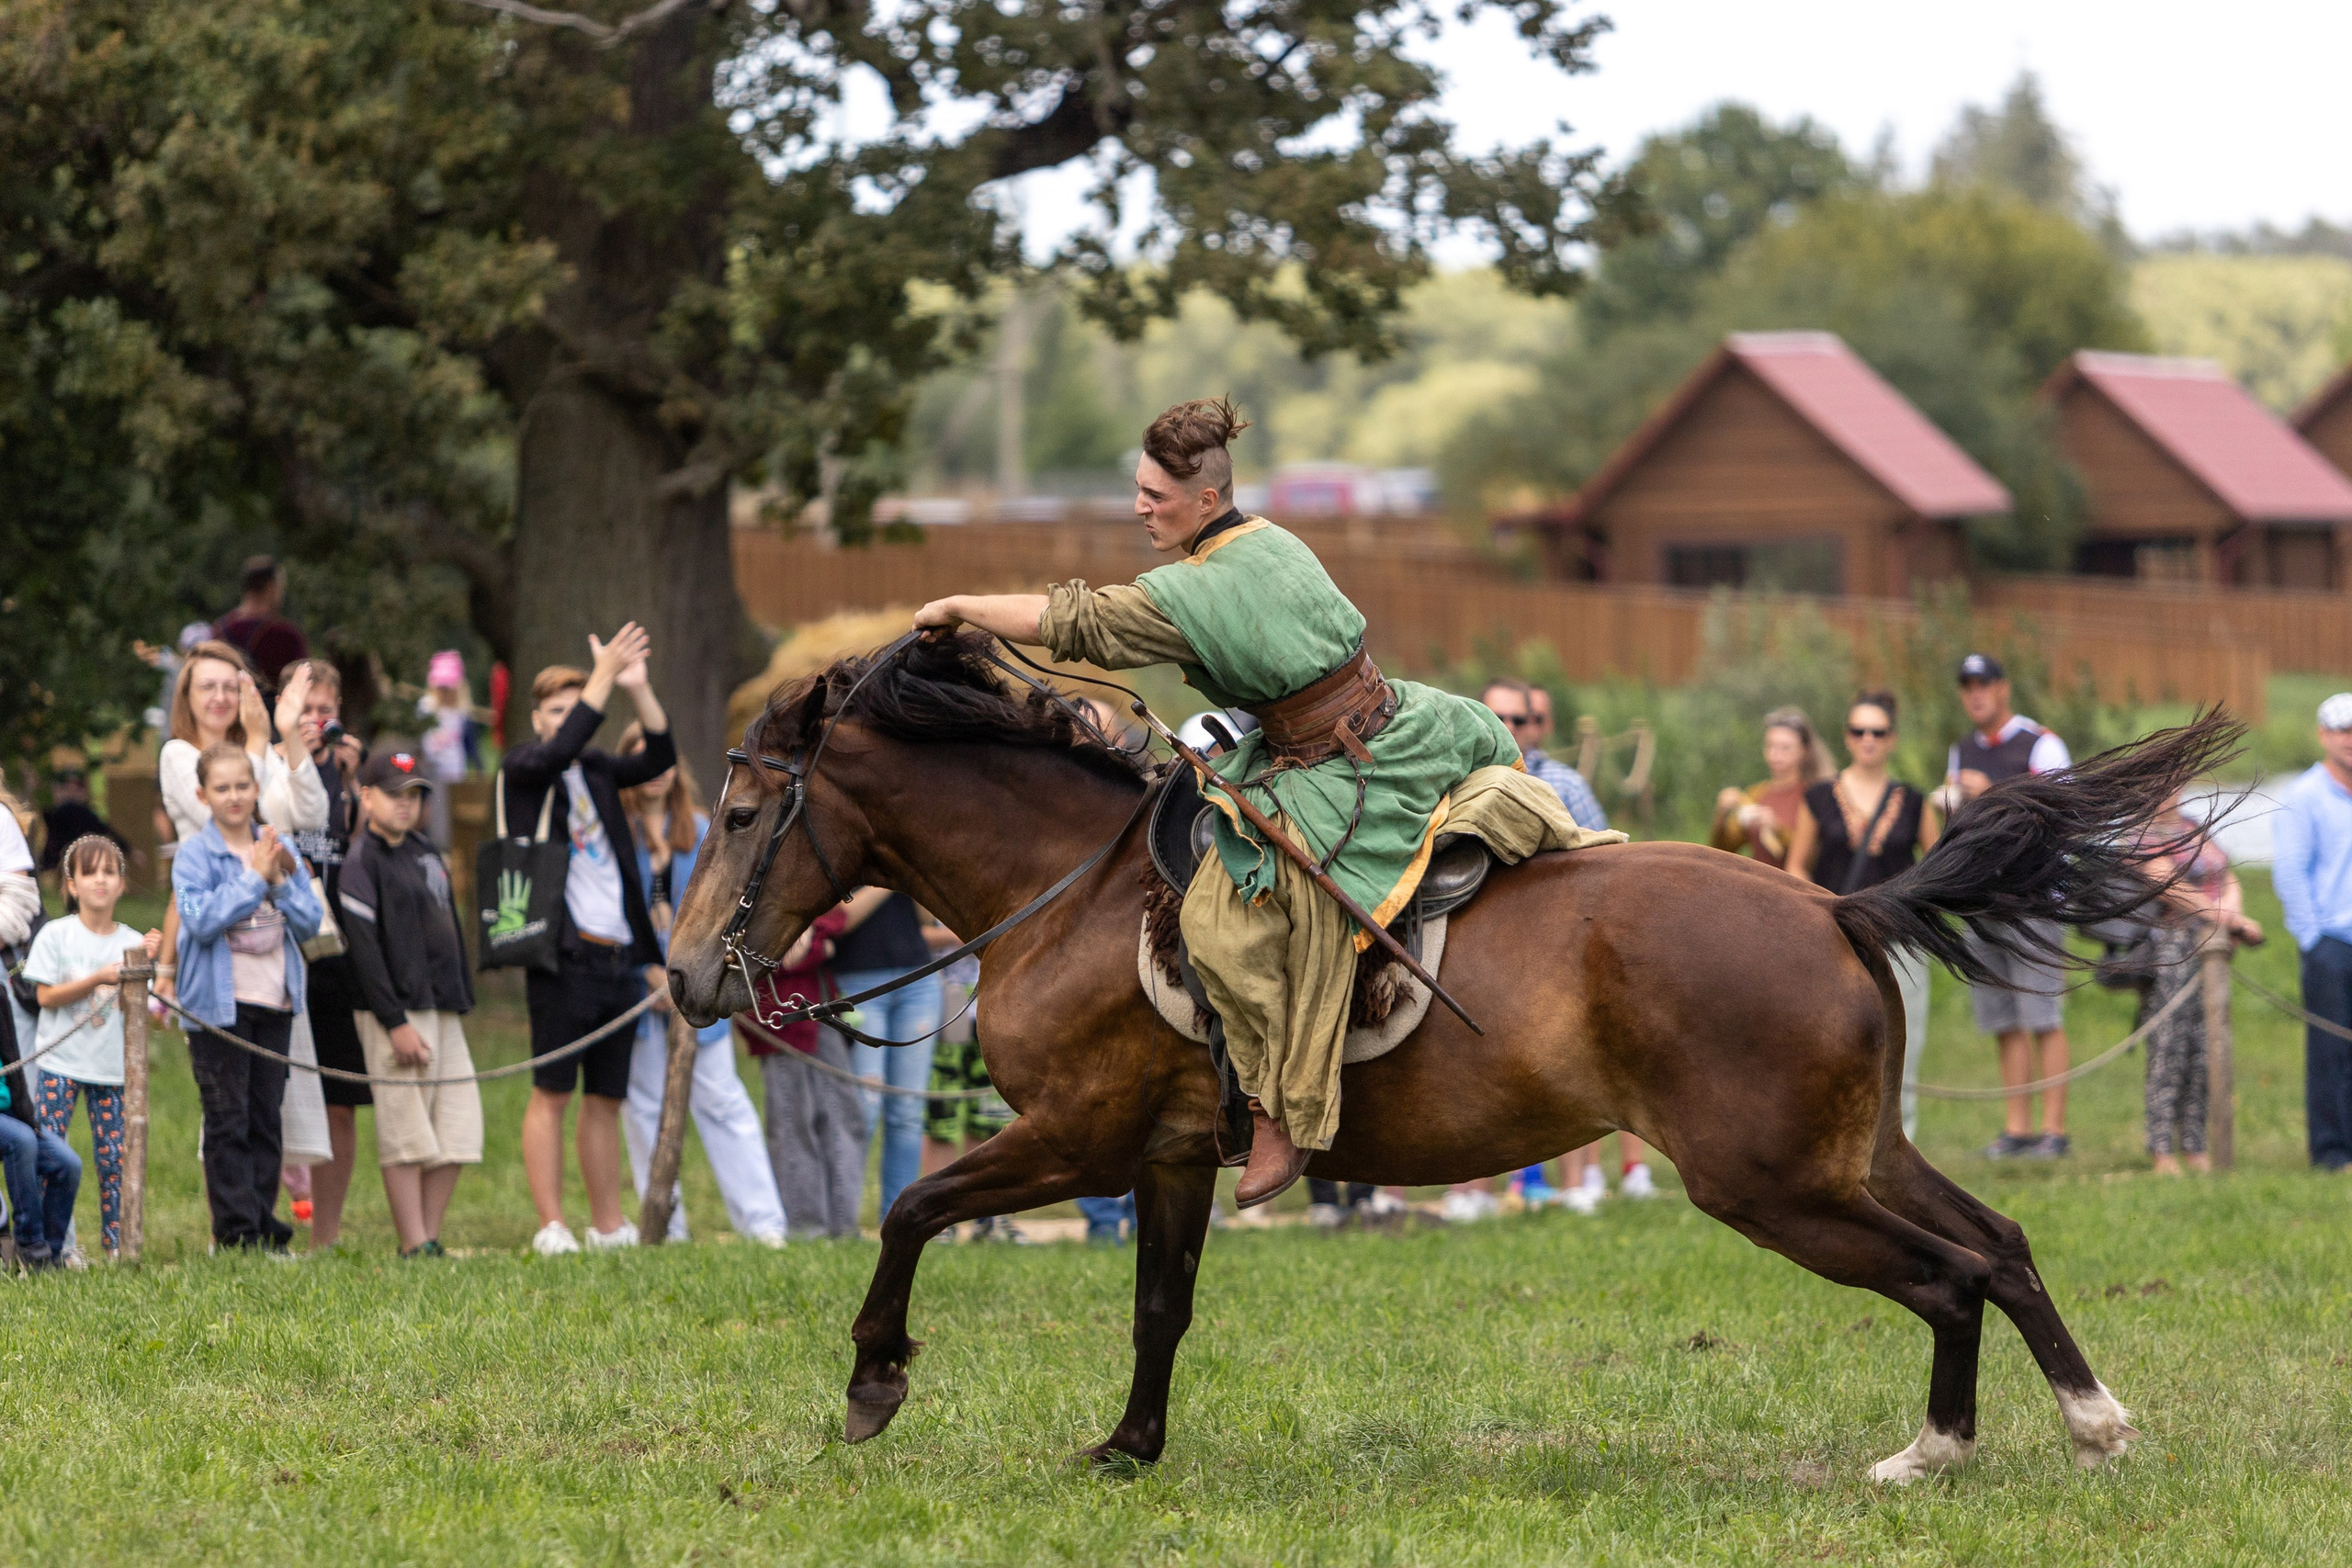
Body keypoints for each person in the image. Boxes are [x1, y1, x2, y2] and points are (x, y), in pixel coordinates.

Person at [915, 397, 1605, 1206]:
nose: (1140, 506)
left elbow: (1078, 620)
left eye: (1154, 494)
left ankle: (1279, 1105)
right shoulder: (1268, 537)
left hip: (1340, 768)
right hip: (1396, 717)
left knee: (1219, 925)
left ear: (1205, 500)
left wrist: (958, 607)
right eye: (1137, 489)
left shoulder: (1202, 588)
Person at [500, 623, 674, 1256]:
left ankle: (607, 1224)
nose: (569, 718)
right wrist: (598, 682)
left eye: (577, 706)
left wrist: (636, 686)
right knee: (552, 1091)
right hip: (560, 956)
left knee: (606, 1096)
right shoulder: (525, 766)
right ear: (536, 718)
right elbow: (556, 751)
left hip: (618, 955)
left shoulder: (598, 768)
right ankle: (552, 1224)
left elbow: (658, 757)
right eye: (556, 710)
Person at [615, 728, 787, 1247]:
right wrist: (647, 972)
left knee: (724, 1103)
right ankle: (667, 1228)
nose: (658, 770)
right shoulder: (616, 836)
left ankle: (764, 1225)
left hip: (697, 989)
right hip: (640, 993)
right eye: (642, 761)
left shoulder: (699, 829)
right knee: (644, 1108)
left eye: (664, 759)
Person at [173, 743, 323, 1251]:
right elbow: (201, 919)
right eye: (222, 788)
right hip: (219, 1008)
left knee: (265, 1120)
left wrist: (278, 876)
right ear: (202, 795)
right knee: (227, 1120)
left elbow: (308, 922)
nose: (234, 796)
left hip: (274, 1002)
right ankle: (235, 1234)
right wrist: (252, 876)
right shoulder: (195, 855)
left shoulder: (279, 846)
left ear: (257, 789)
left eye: (242, 786)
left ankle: (264, 1230)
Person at [336, 741, 482, 1257]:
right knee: (406, 1129)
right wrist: (394, 1021)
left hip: (442, 1005)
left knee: (457, 1127)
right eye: (395, 794)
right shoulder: (361, 862)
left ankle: (431, 1235)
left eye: (415, 794)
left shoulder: (425, 851)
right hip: (394, 1012)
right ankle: (412, 1241)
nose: (406, 804)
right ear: (366, 795)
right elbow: (365, 953)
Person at [1787, 691, 1943, 1140]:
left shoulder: (1914, 803)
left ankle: (1899, 1148)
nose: (1868, 740)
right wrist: (1816, 910)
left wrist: (1916, 907)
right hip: (1833, 943)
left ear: (1892, 739)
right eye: (1859, 731)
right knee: (1829, 1045)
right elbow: (1797, 864)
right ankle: (1831, 1146)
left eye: (1878, 732)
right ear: (1847, 737)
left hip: (1900, 945)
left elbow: (1935, 867)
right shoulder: (1818, 798)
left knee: (1900, 1051)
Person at [1945, 653, 2075, 1160]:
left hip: (2034, 898)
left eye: (1984, 683)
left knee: (2043, 1014)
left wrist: (1992, 793)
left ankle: (2055, 1131)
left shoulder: (2041, 743)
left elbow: (2060, 814)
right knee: (2002, 1018)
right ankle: (2017, 1129)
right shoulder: (1961, 750)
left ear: (2004, 688)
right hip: (1984, 899)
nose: (1976, 693)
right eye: (1967, 685)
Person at [22, 837, 156, 1258]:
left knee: (114, 1161)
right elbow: (45, 996)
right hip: (58, 1063)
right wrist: (98, 977)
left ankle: (119, 1245)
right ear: (72, 884)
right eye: (90, 872)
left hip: (112, 1069)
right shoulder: (55, 935)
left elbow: (139, 1011)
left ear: (122, 884)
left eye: (109, 872)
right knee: (52, 1157)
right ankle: (54, 1247)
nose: (100, 880)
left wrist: (144, 965)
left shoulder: (133, 941)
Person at [2132, 792, 2264, 1175]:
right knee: (2169, 1050)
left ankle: (2195, 1145)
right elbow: (2169, 886)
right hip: (2170, 948)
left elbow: (2227, 874)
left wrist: (2229, 916)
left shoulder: (2193, 827)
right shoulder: (2139, 836)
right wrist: (2231, 921)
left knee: (2205, 1048)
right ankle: (2161, 1150)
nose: (2167, 789)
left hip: (2212, 947)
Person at [286, 661, 371, 1249]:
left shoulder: (345, 776)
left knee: (340, 1100)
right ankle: (257, 1226)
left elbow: (366, 854)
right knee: (274, 1095)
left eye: (326, 709)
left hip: (338, 954)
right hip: (280, 950)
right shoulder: (271, 767)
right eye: (305, 708)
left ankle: (327, 1237)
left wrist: (356, 781)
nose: (317, 720)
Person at [737, 909, 862, 1239]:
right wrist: (820, 947)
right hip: (780, 1021)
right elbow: (784, 956)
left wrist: (812, 933)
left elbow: (835, 917)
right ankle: (807, 1229)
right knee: (794, 1124)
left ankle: (843, 1227)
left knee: (844, 1118)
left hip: (822, 1011)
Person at [2272, 692, 2352, 1172]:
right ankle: (2331, 1151)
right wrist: (2313, 940)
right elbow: (2290, 872)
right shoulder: (2304, 796)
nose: (2350, 740)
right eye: (2341, 730)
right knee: (2331, 1050)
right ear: (2323, 736)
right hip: (2331, 944)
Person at [831, 888, 944, 1222]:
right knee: (863, 1110)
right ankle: (841, 1221)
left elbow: (927, 917)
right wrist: (889, 879)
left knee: (907, 1113)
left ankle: (899, 1222)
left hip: (918, 981)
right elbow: (841, 917)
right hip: (858, 984)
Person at [1712, 707, 1836, 870]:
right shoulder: (1756, 794)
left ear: (1804, 751)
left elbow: (1823, 855)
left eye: (1785, 748)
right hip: (1759, 887)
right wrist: (1721, 815)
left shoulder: (1816, 795)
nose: (1775, 755)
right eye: (1770, 746)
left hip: (1801, 889)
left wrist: (1777, 829)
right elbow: (1723, 852)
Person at [212, 555, 309, 694]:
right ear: (271, 586)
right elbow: (304, 684)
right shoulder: (286, 635)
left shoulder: (219, 629)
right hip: (273, 713)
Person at [416, 650, 483, 852]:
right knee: (431, 818)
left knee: (451, 821)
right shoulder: (425, 708)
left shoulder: (462, 712)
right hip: (430, 773)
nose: (445, 691)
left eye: (449, 687)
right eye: (441, 687)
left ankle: (449, 852)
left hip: (455, 775)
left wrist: (479, 769)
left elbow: (471, 745)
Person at [36, 768, 130, 875]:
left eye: (77, 789)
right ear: (56, 791)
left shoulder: (85, 815)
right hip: (53, 867)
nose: (71, 794)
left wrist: (128, 850)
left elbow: (105, 830)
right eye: (66, 789)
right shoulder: (46, 816)